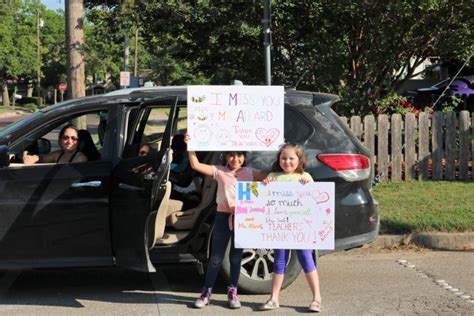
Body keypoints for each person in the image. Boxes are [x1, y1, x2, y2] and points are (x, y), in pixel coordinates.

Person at [185, 134, 266, 309]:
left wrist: (298, 177)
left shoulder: (251, 172)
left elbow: (270, 178)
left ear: (244, 157)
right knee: (215, 258)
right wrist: (190, 144)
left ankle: (233, 291)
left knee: (236, 258)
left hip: (244, 219)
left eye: (239, 155)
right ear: (225, 156)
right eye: (231, 155)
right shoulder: (220, 170)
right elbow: (196, 165)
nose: (235, 159)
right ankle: (206, 292)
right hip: (223, 218)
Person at [260, 143, 322, 313]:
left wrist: (309, 186)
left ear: (299, 160)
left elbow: (316, 199)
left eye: (291, 158)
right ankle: (274, 298)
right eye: (283, 158)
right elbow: (263, 198)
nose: (287, 161)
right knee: (279, 260)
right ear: (279, 159)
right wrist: (265, 184)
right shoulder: (273, 176)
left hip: (301, 228)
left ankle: (316, 298)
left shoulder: (306, 177)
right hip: (280, 227)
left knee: (305, 257)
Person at [23, 124, 87, 164]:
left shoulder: (80, 158)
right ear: (60, 140)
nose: (69, 141)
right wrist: (33, 158)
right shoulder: (59, 154)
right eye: (65, 137)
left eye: (74, 138)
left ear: (78, 141)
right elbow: (43, 158)